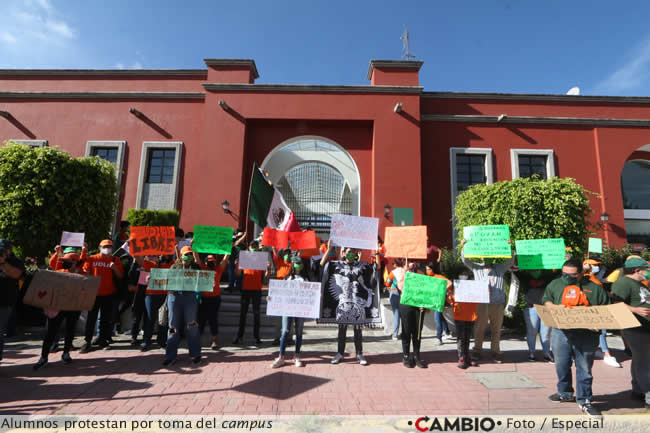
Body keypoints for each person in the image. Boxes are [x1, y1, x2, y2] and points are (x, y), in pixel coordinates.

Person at [543, 258, 609, 418]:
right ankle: (564, 392)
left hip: (586, 336)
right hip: (561, 332)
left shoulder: (595, 288)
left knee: (584, 369)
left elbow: (605, 310)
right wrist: (552, 306)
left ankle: (585, 400)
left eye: (571, 275)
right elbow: (546, 300)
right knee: (561, 365)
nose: (567, 277)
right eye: (564, 273)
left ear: (581, 274)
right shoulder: (555, 284)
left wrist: (596, 322)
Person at [320, 241, 379, 366]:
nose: (351, 254)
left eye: (353, 252)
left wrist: (376, 250)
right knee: (342, 330)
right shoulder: (337, 265)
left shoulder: (361, 265)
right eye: (348, 252)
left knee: (358, 329)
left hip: (357, 304)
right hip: (343, 305)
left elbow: (375, 268)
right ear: (343, 254)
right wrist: (329, 249)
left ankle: (359, 353)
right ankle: (340, 353)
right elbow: (322, 264)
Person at [461, 238, 515, 363]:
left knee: (496, 329)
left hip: (497, 304)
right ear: (481, 258)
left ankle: (495, 352)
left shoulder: (500, 268)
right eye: (485, 256)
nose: (487, 258)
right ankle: (477, 350)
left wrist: (509, 248)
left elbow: (511, 260)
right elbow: (465, 260)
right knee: (479, 328)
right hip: (482, 303)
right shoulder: (477, 268)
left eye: (489, 256)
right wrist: (464, 247)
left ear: (493, 257)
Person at [33, 251, 85, 369]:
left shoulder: (83, 274)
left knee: (70, 330)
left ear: (75, 263)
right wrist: (57, 253)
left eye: (67, 261)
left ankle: (66, 353)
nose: (64, 263)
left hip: (74, 308)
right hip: (58, 307)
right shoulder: (59, 272)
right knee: (51, 331)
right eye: (64, 261)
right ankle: (43, 357)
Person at [611, 257, 650, 409]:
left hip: (644, 328)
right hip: (635, 328)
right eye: (646, 269)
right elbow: (615, 302)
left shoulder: (639, 283)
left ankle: (638, 390)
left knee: (640, 360)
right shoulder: (623, 282)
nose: (648, 272)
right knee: (645, 362)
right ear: (637, 270)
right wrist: (635, 310)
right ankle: (647, 393)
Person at [80, 239, 124, 352]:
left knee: (105, 319)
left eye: (109, 246)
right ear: (99, 247)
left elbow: (120, 277)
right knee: (91, 319)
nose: (107, 248)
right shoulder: (92, 258)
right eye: (105, 246)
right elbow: (85, 271)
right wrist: (84, 252)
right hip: (94, 294)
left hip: (109, 294)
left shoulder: (115, 260)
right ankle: (87, 341)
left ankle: (103, 340)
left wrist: (115, 268)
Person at [164, 245, 202, 365]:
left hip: (190, 297)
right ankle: (170, 356)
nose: (189, 256)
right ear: (181, 255)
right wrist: (154, 279)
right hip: (174, 297)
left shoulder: (196, 267)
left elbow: (202, 280)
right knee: (173, 327)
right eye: (186, 254)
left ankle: (195, 354)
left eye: (190, 254)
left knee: (192, 325)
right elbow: (165, 280)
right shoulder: (174, 267)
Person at [271, 256, 310, 368]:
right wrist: (271, 298)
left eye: (300, 263)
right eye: (296, 262)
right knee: (285, 332)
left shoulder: (305, 279)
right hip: (287, 309)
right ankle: (281, 357)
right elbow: (280, 292)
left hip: (300, 309)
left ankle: (297, 356)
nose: (298, 264)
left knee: (298, 333)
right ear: (292, 264)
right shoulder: (287, 278)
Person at [582, 259, 621, 368]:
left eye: (597, 265)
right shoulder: (582, 278)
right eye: (594, 265)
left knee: (601, 332)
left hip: (599, 307)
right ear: (586, 265)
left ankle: (606, 353)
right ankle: (606, 354)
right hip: (589, 309)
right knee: (600, 332)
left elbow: (600, 290)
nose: (597, 267)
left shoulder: (594, 278)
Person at [232, 240, 270, 345]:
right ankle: (239, 336)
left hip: (257, 290)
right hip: (246, 289)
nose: (254, 247)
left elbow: (266, 277)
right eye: (252, 246)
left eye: (255, 246)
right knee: (243, 314)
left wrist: (269, 269)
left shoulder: (261, 259)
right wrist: (237, 266)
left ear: (258, 248)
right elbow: (238, 274)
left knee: (256, 314)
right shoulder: (244, 259)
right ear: (249, 247)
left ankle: (256, 337)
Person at [517, 269, 555, 362]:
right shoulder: (525, 276)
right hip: (531, 307)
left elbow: (559, 272)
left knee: (545, 333)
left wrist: (565, 259)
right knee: (531, 332)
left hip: (545, 308)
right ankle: (531, 353)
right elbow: (515, 270)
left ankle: (546, 353)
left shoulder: (548, 275)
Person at [447, 269, 478, 368]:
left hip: (470, 314)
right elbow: (449, 298)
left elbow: (479, 296)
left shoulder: (473, 286)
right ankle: (461, 357)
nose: (463, 276)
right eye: (461, 274)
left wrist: (485, 293)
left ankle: (467, 357)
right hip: (459, 314)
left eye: (465, 274)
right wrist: (451, 298)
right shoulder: (454, 286)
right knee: (461, 337)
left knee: (467, 337)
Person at [0, 239, 25, 363]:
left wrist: (3, 263)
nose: (3, 252)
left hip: (5, 302)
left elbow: (16, 275)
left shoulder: (15, 261)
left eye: (4, 249)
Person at [198, 253, 229, 350]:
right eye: (209, 262)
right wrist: (193, 247)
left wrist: (228, 250)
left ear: (214, 262)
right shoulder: (203, 268)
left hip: (214, 298)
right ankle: (197, 340)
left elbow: (225, 260)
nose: (210, 263)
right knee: (201, 320)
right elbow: (197, 259)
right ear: (205, 262)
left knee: (213, 320)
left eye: (212, 262)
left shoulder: (218, 269)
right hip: (204, 298)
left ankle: (214, 340)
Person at [140, 255, 171, 351]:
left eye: (157, 256)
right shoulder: (149, 264)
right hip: (151, 294)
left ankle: (162, 341)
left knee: (163, 319)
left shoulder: (169, 264)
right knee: (150, 318)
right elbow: (138, 259)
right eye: (153, 256)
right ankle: (146, 341)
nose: (156, 257)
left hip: (164, 294)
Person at [426, 262, 452, 345]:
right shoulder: (428, 278)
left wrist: (442, 290)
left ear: (433, 269)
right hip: (434, 300)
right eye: (426, 269)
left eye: (429, 269)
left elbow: (450, 283)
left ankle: (438, 338)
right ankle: (447, 332)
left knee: (437, 318)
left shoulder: (439, 277)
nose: (427, 271)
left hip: (439, 301)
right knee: (440, 317)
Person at [385, 258, 406, 340]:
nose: (393, 265)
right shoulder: (405, 271)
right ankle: (404, 333)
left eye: (393, 264)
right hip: (404, 294)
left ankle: (395, 334)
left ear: (395, 265)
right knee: (404, 314)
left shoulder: (392, 273)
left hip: (394, 292)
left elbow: (387, 283)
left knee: (396, 313)